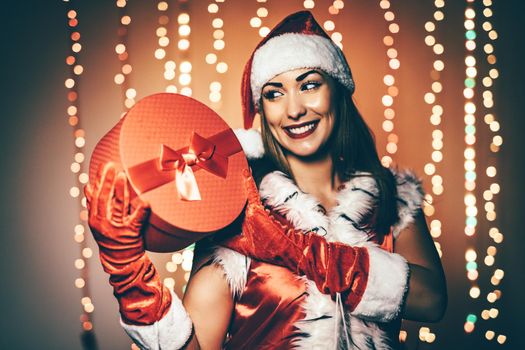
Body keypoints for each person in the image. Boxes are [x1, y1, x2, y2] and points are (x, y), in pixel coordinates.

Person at [85, 11, 447, 350]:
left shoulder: (391, 194)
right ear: (261, 107)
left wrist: (295, 249)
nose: (293, 110)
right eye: (274, 93)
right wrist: (130, 275)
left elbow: (432, 301)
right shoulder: (241, 213)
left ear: (337, 89)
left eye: (309, 85)